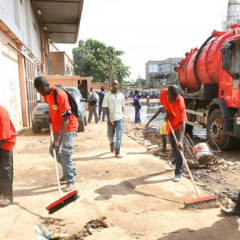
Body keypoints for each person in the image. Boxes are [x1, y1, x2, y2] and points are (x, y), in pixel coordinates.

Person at [34, 76, 78, 192]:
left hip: (68, 126)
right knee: (53, 151)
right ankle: (70, 170)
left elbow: (66, 119)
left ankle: (70, 180)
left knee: (65, 153)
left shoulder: (59, 94)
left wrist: (58, 138)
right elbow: (53, 107)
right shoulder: (46, 94)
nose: (42, 94)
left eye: (42, 91)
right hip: (56, 126)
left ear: (47, 85)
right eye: (39, 92)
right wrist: (50, 117)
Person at [160, 85, 187, 182]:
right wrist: (167, 113)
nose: (171, 101)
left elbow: (182, 122)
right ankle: (176, 159)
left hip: (178, 126)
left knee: (179, 148)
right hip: (170, 123)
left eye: (174, 99)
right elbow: (164, 102)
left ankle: (178, 173)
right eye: (170, 99)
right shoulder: (163, 92)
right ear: (167, 94)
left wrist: (180, 140)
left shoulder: (180, 102)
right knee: (173, 146)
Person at [102, 80, 125, 158]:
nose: (115, 85)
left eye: (116, 84)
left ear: (118, 85)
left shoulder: (121, 95)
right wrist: (109, 119)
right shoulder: (107, 95)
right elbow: (106, 108)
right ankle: (112, 144)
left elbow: (122, 107)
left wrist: (122, 116)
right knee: (110, 136)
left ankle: (117, 152)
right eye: (113, 84)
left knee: (119, 136)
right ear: (110, 85)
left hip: (119, 118)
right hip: (111, 118)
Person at [0, 106, 16, 207]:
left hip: (6, 140)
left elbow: (3, 138)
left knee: (6, 168)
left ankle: (8, 196)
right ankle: (1, 189)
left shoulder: (2, 113)